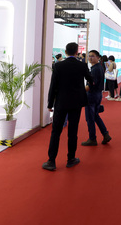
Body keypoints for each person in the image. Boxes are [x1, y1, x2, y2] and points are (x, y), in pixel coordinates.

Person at [43, 42, 92, 171]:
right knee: (73, 131)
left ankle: (51, 161)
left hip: (61, 102)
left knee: (56, 132)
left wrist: (49, 104)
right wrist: (83, 88)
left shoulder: (58, 66)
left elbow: (53, 86)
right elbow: (91, 80)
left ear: (66, 52)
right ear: (77, 52)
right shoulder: (82, 65)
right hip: (76, 103)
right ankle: (71, 159)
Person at [81, 50, 112, 146]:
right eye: (89, 56)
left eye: (93, 56)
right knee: (95, 116)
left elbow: (91, 84)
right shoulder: (98, 67)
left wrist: (81, 92)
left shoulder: (95, 69)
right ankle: (105, 134)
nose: (90, 58)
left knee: (90, 118)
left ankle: (92, 138)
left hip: (92, 95)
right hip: (97, 94)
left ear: (98, 57)